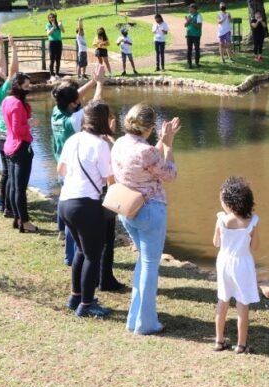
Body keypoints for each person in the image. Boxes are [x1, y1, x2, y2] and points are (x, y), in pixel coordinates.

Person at [112, 104, 181, 335]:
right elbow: (170, 174)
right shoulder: (147, 151)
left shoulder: (120, 143)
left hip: (127, 209)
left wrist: (162, 140)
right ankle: (146, 323)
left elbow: (148, 161)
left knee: (143, 261)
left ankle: (134, 319)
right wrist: (168, 145)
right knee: (150, 265)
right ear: (150, 127)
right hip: (150, 212)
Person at [57, 100, 117, 318]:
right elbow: (110, 180)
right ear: (104, 120)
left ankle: (75, 297)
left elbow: (60, 169)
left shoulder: (73, 139)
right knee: (93, 255)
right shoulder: (100, 145)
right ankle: (87, 304)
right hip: (86, 205)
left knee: (82, 251)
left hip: (65, 202)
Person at [50, 65, 107, 274]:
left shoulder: (57, 111)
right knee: (75, 220)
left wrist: (91, 81)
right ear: (73, 103)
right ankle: (73, 255)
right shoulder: (75, 120)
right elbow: (95, 108)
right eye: (76, 99)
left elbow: (74, 97)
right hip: (75, 172)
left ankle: (69, 255)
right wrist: (99, 84)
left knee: (68, 216)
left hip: (62, 165)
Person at [212, 176, 260, 354]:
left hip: (224, 262)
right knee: (242, 304)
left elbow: (216, 243)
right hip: (243, 263)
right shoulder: (252, 222)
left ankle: (219, 341)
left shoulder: (222, 220)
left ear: (230, 203)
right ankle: (241, 345)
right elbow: (255, 246)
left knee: (223, 300)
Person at [3, 72, 37, 233]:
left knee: (13, 185)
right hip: (20, 147)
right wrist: (30, 123)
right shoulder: (17, 104)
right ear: (18, 86)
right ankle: (25, 221)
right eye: (26, 86)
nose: (28, 88)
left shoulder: (7, 100)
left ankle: (17, 219)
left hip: (9, 146)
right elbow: (18, 130)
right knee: (20, 188)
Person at [0, 35, 18, 217]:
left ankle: (4, 204)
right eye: (0, 73)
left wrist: (1, 46)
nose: (1, 70)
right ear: (1, 80)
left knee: (6, 172)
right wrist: (13, 48)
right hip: (8, 136)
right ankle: (8, 206)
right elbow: (12, 71)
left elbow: (1, 67)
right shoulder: (3, 91)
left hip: (0, 135)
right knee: (10, 173)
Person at [46, 12, 64, 77]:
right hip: (52, 43)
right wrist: (53, 27)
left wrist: (61, 25)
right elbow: (48, 33)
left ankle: (57, 73)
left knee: (58, 59)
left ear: (55, 18)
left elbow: (63, 31)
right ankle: (51, 74)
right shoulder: (48, 25)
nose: (51, 19)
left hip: (59, 42)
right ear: (48, 19)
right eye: (50, 18)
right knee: (52, 59)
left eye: (53, 17)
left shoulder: (58, 24)